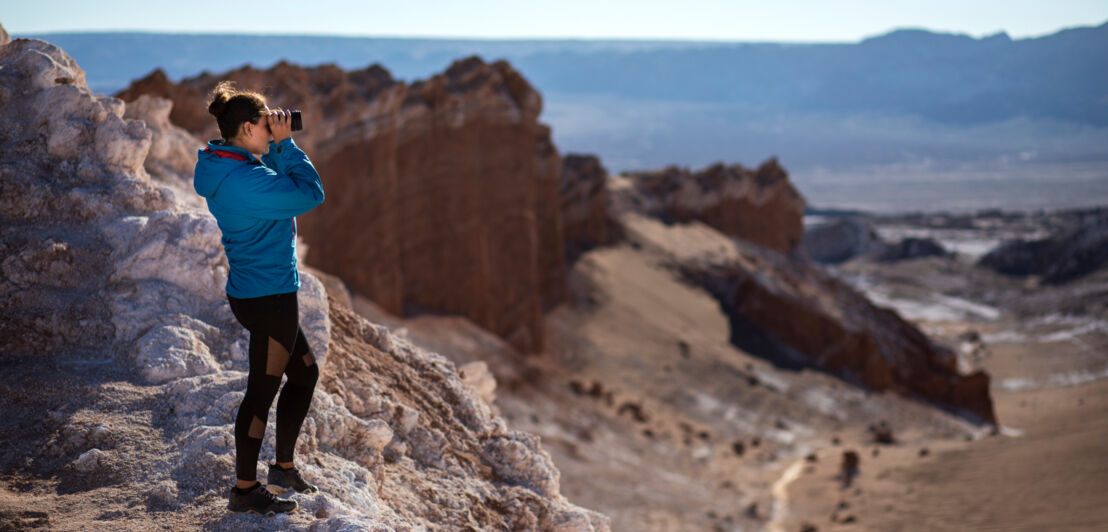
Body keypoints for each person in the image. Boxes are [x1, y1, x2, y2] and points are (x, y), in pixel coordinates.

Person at [193, 81, 325, 515]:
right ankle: (245, 489)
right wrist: (286, 148)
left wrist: (275, 147)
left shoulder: (229, 164)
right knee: (260, 395)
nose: (274, 129)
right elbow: (310, 194)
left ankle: (282, 468)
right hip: (269, 299)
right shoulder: (245, 180)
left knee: (304, 373)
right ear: (248, 128)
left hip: (261, 292)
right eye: (267, 123)